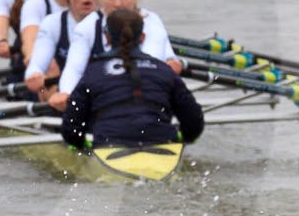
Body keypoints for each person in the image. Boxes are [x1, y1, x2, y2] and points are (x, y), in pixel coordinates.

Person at [40, 0, 184, 111]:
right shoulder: (87, 27)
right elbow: (74, 69)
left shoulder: (151, 23)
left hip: (143, 96)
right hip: (105, 97)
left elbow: (148, 66)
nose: (117, 4)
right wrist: (66, 93)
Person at [59, 8, 205, 153]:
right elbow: (194, 119)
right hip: (162, 142)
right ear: (142, 37)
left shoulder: (94, 71)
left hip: (110, 145)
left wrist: (79, 145)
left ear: (107, 37)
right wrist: (185, 138)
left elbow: (71, 125)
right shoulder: (164, 70)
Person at [24, 0, 105, 99]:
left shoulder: (111, 24)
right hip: (64, 97)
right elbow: (36, 66)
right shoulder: (52, 24)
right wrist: (35, 76)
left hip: (103, 97)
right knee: (43, 90)